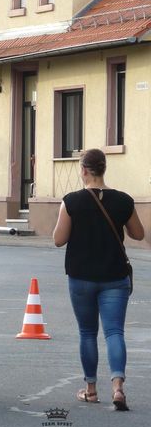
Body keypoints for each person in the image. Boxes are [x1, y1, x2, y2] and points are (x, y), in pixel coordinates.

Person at [52, 148, 144, 411]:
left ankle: (91, 390)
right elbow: (138, 234)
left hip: (81, 277)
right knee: (114, 332)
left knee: (87, 332)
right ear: (104, 169)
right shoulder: (124, 200)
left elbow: (58, 240)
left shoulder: (71, 201)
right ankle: (118, 388)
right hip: (115, 276)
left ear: (83, 170)